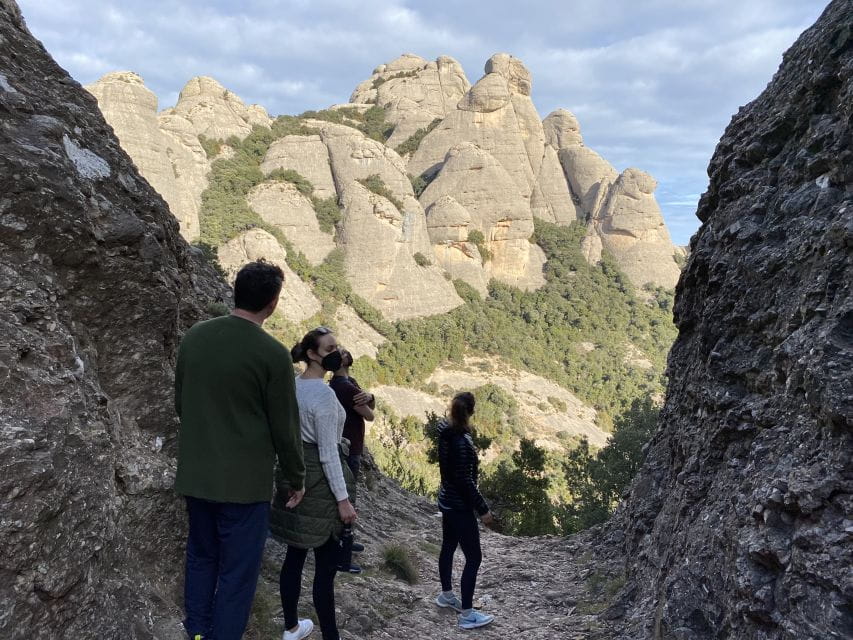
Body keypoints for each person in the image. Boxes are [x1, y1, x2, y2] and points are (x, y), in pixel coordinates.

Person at [174, 260, 305, 640]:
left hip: (197, 476)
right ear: (273, 303)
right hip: (245, 487)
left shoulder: (195, 336)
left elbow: (181, 403)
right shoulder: (273, 354)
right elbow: (286, 427)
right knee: (237, 573)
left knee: (201, 557)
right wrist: (295, 478)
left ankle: (196, 631)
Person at [271, 327, 357, 640]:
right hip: (320, 484)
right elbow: (328, 455)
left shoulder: (294, 386)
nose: (337, 352)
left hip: (295, 475)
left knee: (294, 557)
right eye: (330, 347)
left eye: (338, 346)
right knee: (325, 570)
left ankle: (291, 627)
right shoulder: (322, 395)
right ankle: (330, 636)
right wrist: (343, 499)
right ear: (312, 353)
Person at [434, 392, 496, 630]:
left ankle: (447, 595)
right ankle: (467, 614)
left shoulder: (446, 433)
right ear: (471, 412)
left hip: (447, 501)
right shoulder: (461, 441)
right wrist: (483, 510)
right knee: (474, 557)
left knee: (448, 546)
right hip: (460, 506)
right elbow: (465, 480)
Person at [329, 348, 374, 567]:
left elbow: (368, 403)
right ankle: (342, 549)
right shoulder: (346, 387)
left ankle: (345, 541)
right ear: (343, 362)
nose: (344, 352)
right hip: (350, 447)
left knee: (346, 495)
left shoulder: (345, 383)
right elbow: (370, 414)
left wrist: (370, 397)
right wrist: (368, 401)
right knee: (346, 498)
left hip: (348, 445)